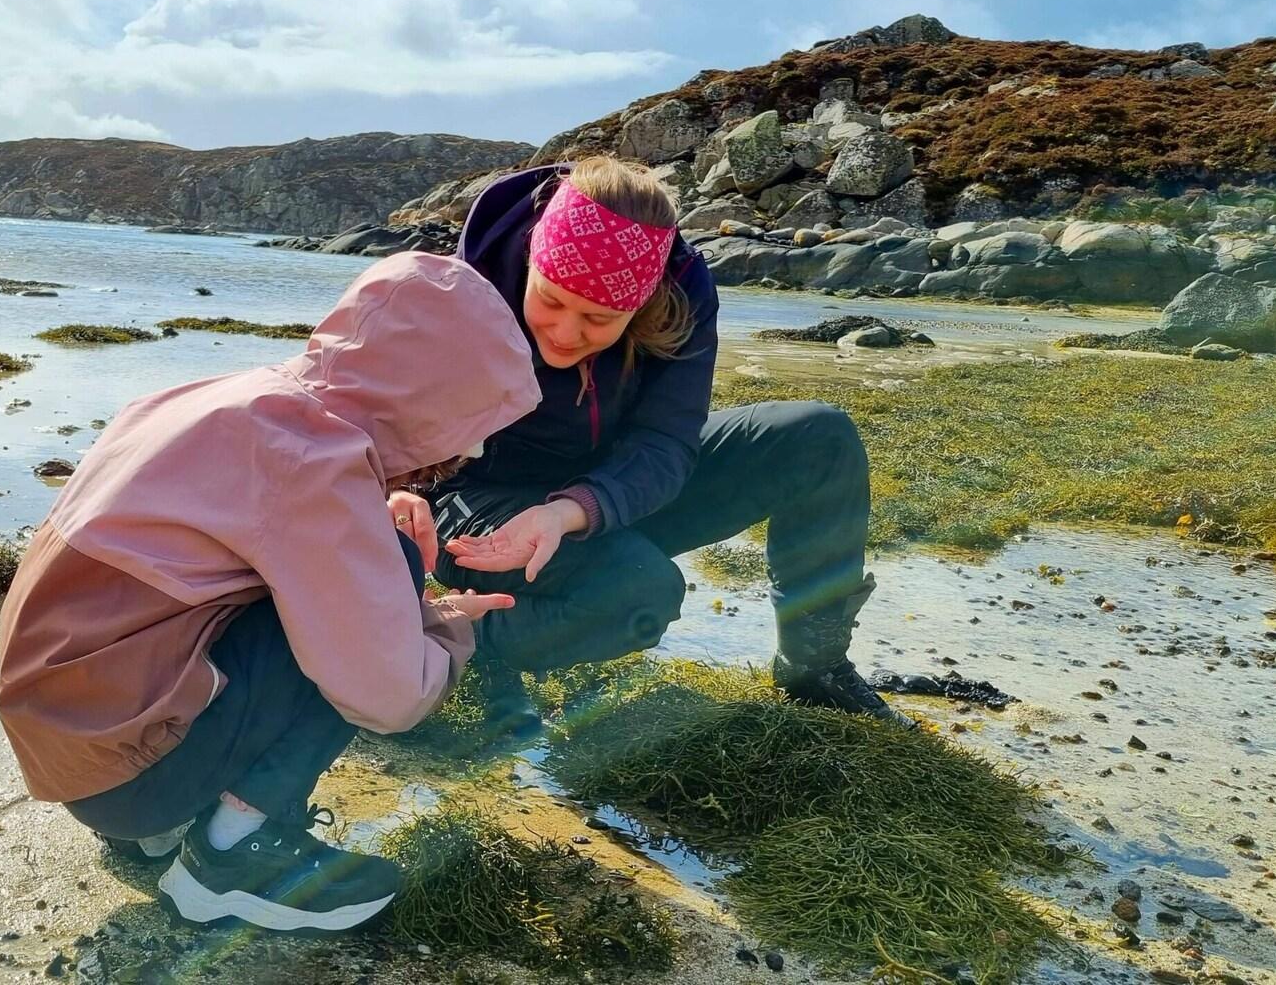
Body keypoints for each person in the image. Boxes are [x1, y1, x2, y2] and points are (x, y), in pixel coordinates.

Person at [0, 252, 540, 933]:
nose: (477, 451)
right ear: (428, 397)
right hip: (130, 773)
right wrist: (445, 621)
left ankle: (158, 833)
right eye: (472, 421)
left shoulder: (235, 398)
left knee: (355, 570)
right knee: (388, 576)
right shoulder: (313, 459)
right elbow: (391, 696)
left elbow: (240, 531)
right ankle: (231, 854)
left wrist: (369, 517)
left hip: (66, 745)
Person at [388, 155, 910, 733]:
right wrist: (392, 491)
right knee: (640, 597)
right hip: (476, 500)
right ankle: (451, 632)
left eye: (598, 319)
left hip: (603, 486)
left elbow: (665, 440)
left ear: (642, 305)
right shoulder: (459, 288)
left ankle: (814, 665)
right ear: (532, 262)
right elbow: (359, 418)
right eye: (551, 300)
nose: (565, 333)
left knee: (817, 437)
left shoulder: (682, 291)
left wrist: (570, 511)